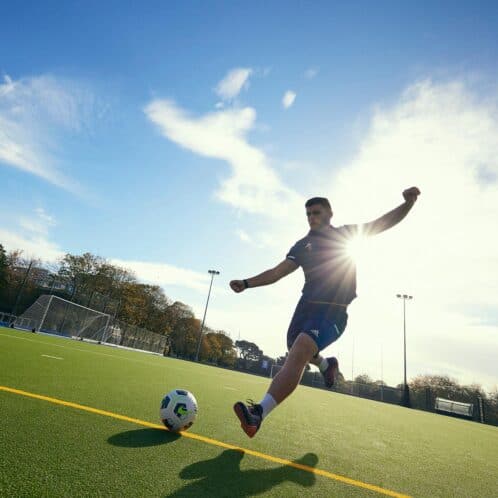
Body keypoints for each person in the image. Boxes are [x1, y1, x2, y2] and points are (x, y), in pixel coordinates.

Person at [230, 187, 421, 438]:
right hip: (306, 306)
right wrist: (246, 283)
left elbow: (382, 223)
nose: (311, 217)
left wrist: (408, 203)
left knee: (299, 350)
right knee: (295, 348)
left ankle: (258, 414)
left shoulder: (345, 236)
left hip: (333, 312)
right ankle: (326, 364)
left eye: (316, 212)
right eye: (308, 213)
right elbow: (278, 272)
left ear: (330, 213)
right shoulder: (302, 245)